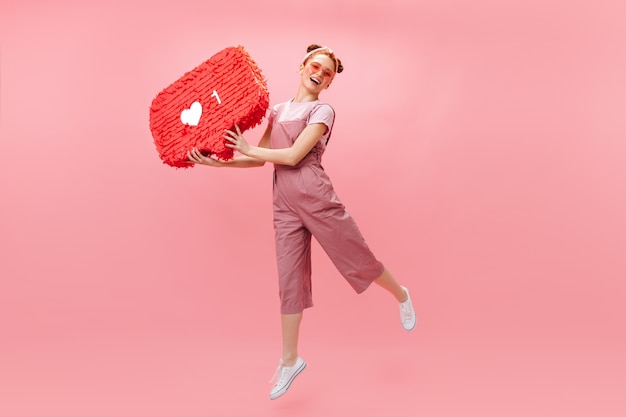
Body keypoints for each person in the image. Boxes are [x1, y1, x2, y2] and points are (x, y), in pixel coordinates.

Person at [187, 44, 416, 400]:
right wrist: (217, 162)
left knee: (356, 256)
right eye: (315, 65)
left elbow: (293, 156)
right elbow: (258, 160)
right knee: (289, 281)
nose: (319, 73)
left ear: (328, 81)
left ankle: (401, 294)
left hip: (316, 195)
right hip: (284, 203)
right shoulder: (277, 111)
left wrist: (247, 148)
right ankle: (290, 360)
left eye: (326, 72)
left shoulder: (323, 109)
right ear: (302, 66)